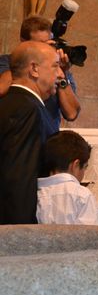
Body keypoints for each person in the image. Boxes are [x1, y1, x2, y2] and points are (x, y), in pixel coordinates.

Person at [0, 41, 63, 224]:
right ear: (34, 69)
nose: (60, 74)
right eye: (55, 66)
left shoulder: (11, 103)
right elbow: (19, 176)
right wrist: (21, 232)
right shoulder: (28, 109)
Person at [0, 15, 81, 131]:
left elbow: (72, 114)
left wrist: (61, 73)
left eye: (48, 43)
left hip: (47, 141)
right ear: (23, 41)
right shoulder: (6, 62)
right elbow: (1, 88)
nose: (45, 48)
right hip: (17, 136)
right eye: (40, 44)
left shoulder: (59, 70)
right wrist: (28, 60)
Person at [36, 130, 98, 225]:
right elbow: (95, 236)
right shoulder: (82, 195)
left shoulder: (36, 193)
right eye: (84, 168)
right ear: (75, 165)